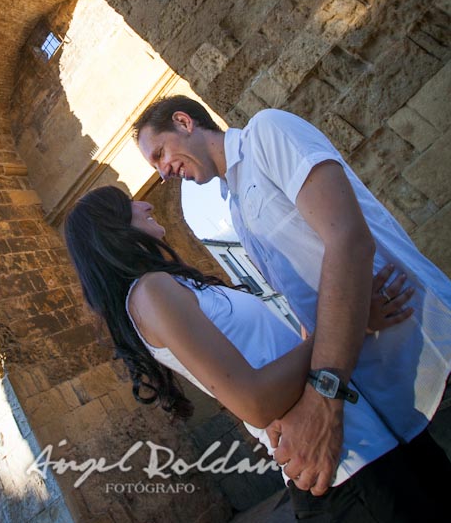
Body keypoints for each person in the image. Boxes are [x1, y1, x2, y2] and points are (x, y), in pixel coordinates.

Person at [133, 96, 451, 511]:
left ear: (183, 122)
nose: (163, 171)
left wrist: (325, 396)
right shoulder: (237, 210)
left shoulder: (267, 134)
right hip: (381, 391)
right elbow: (301, 305)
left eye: (160, 154)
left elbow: (349, 240)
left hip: (424, 347)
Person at [64, 186, 442, 522]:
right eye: (128, 204)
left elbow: (273, 350)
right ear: (111, 227)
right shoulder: (150, 292)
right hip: (346, 469)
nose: (144, 204)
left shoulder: (172, 284)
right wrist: (349, 323)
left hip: (363, 438)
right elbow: (256, 402)